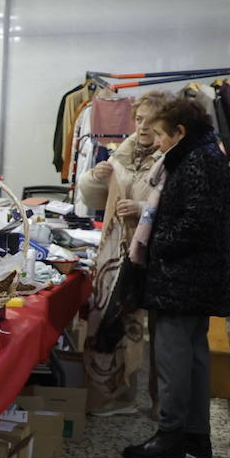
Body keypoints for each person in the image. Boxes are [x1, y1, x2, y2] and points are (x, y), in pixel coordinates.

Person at [122, 96, 230, 458]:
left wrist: (157, 244)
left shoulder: (198, 160)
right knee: (194, 356)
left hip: (183, 278)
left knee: (173, 359)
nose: (156, 143)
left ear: (180, 132)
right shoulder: (204, 155)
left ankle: (171, 436)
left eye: (160, 135)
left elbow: (197, 222)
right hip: (194, 277)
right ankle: (196, 435)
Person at [80, 92, 168, 417]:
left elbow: (176, 206)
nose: (143, 127)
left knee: (159, 333)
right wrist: (94, 178)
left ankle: (160, 401)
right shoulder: (122, 153)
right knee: (118, 320)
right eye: (139, 119)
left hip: (155, 254)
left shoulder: (168, 158)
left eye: (151, 121)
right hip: (118, 254)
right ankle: (119, 395)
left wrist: (142, 208)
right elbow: (94, 198)